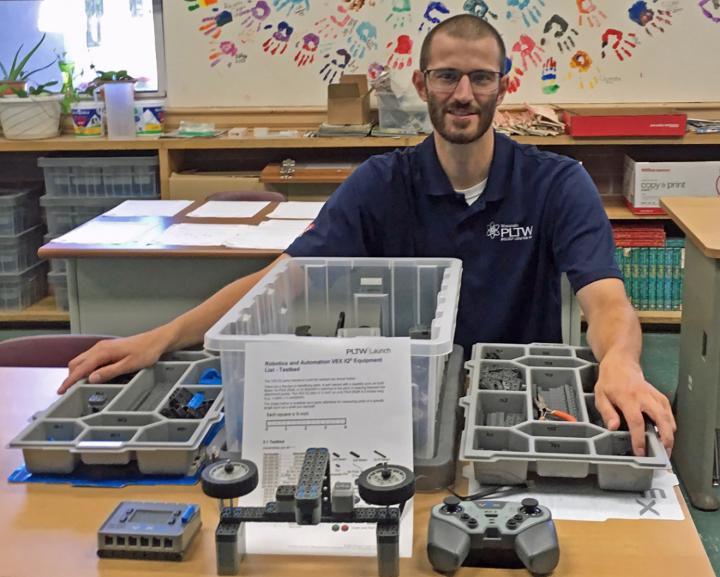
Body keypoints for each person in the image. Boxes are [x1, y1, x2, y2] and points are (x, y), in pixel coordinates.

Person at [60, 14, 674, 457]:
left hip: (514, 400)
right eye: (447, 77)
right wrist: (164, 336)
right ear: (421, 82)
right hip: (398, 404)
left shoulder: (556, 183)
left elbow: (606, 297)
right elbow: (284, 279)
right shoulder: (382, 183)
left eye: (480, 79)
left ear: (504, 86)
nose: (463, 94)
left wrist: (620, 361)